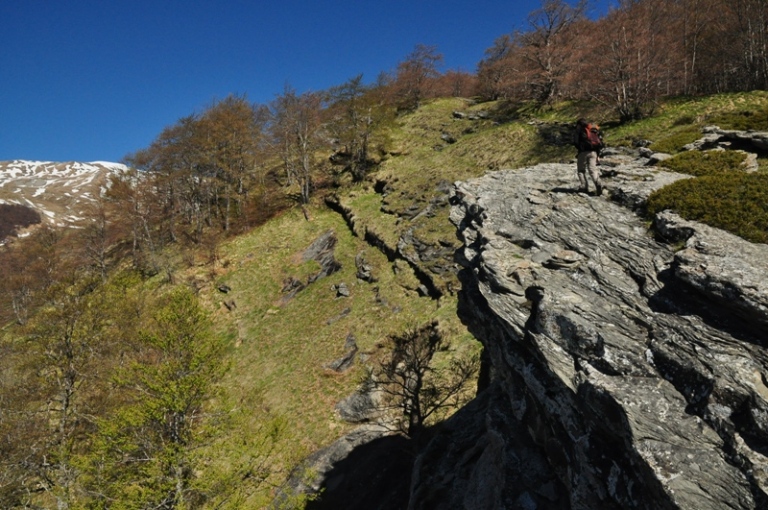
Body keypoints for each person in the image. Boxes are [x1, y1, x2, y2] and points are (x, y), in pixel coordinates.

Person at [573, 118, 604, 196]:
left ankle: (584, 186)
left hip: (583, 152)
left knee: (581, 170)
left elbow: (575, 142)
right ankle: (597, 182)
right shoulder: (593, 130)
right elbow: (599, 143)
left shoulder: (579, 130)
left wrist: (580, 149)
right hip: (594, 152)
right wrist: (598, 155)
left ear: (579, 124)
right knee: (592, 170)